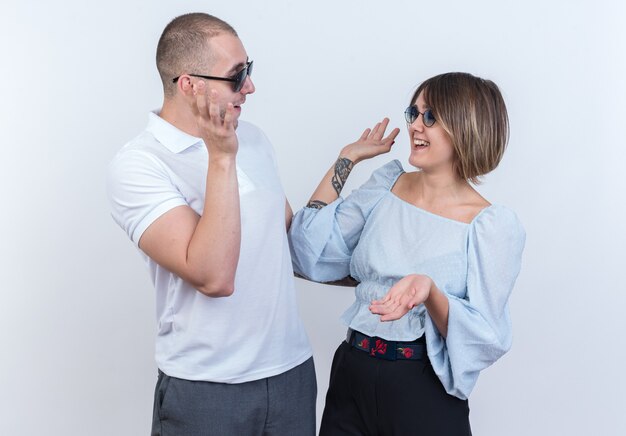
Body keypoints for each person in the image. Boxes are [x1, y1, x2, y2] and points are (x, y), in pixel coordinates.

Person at [106, 13, 315, 436]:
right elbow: (214, 276)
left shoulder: (252, 137)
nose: (250, 87)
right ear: (189, 85)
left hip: (291, 374)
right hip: (207, 391)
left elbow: (288, 235)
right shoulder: (139, 164)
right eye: (237, 76)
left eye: (249, 71)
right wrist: (221, 157)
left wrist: (344, 164)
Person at [289, 72, 526, 435]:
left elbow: (485, 336)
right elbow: (309, 250)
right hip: (352, 371)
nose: (416, 125)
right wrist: (346, 159)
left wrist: (430, 292)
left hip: (422, 386)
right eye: (413, 113)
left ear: (464, 126)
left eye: (430, 116)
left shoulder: (490, 225)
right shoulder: (387, 184)